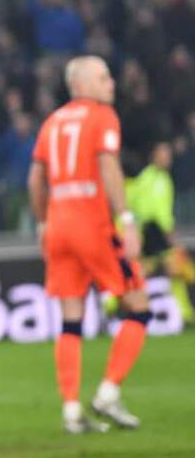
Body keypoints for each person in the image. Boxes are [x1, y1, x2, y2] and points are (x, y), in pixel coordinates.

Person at [27, 55, 150, 434]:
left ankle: (71, 412)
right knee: (139, 307)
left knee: (71, 318)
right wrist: (126, 220)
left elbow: (35, 178)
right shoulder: (101, 116)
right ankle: (108, 393)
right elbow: (108, 165)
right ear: (80, 85)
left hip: (59, 226)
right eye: (102, 77)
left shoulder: (52, 122)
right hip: (92, 226)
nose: (110, 83)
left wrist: (44, 221)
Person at [124, 140, 195, 324]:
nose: (167, 158)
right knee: (178, 269)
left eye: (168, 154)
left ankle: (184, 313)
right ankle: (121, 307)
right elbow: (158, 212)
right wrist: (169, 236)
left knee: (169, 272)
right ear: (154, 156)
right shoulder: (155, 179)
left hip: (150, 232)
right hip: (153, 232)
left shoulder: (152, 177)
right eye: (163, 154)